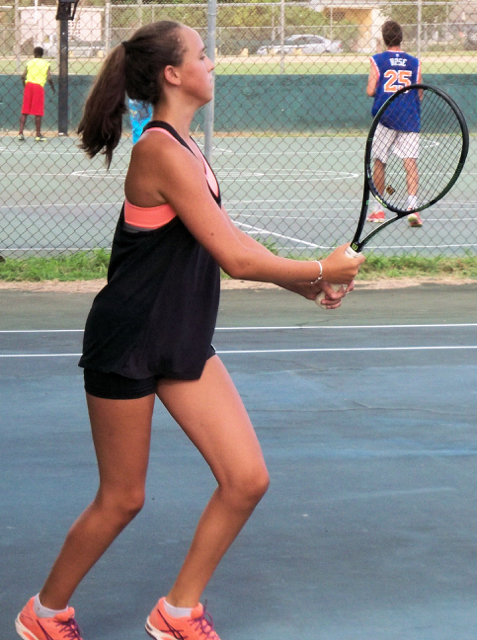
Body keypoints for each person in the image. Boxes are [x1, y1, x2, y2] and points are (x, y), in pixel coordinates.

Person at [14, 21, 364, 640]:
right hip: (126, 339)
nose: (212, 61)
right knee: (122, 498)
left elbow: (226, 243)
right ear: (173, 75)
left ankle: (176, 612)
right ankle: (44, 613)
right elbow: (237, 260)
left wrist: (304, 284)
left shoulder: (188, 147)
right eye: (202, 54)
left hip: (179, 335)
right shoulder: (158, 150)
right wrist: (319, 266)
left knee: (246, 478)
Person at [366, 20, 423, 228]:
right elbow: (420, 94)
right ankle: (412, 208)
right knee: (410, 163)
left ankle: (378, 210)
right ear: (401, 37)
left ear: (384, 38)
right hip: (409, 117)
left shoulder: (378, 60)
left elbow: (371, 90)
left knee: (380, 162)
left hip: (386, 117)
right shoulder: (414, 62)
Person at [18, 46, 55, 142]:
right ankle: (38, 135)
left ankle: (20, 133)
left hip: (29, 85)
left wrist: (25, 86)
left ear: (34, 54)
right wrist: (52, 87)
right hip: (38, 87)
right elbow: (49, 78)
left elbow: (23, 76)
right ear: (42, 54)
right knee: (38, 112)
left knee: (25, 110)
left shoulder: (30, 63)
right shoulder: (46, 64)